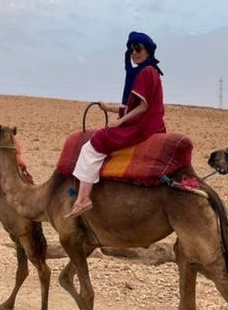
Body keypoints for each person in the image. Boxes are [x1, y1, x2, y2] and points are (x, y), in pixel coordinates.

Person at [66, 31, 165, 218]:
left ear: (148, 51)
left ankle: (83, 199)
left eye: (138, 48)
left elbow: (143, 107)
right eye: (131, 49)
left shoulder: (146, 72)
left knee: (92, 146)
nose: (134, 53)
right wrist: (108, 108)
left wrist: (119, 122)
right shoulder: (150, 71)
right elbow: (131, 107)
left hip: (142, 127)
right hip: (150, 125)